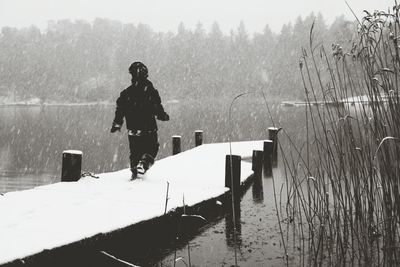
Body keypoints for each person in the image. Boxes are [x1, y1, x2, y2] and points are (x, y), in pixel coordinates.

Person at [110, 62, 169, 179]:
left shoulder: (126, 93)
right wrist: (163, 116)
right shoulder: (151, 91)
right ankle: (143, 164)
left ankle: (135, 173)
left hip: (133, 130)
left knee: (135, 153)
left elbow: (120, 110)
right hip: (149, 130)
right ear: (146, 74)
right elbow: (157, 108)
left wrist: (117, 123)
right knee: (152, 149)